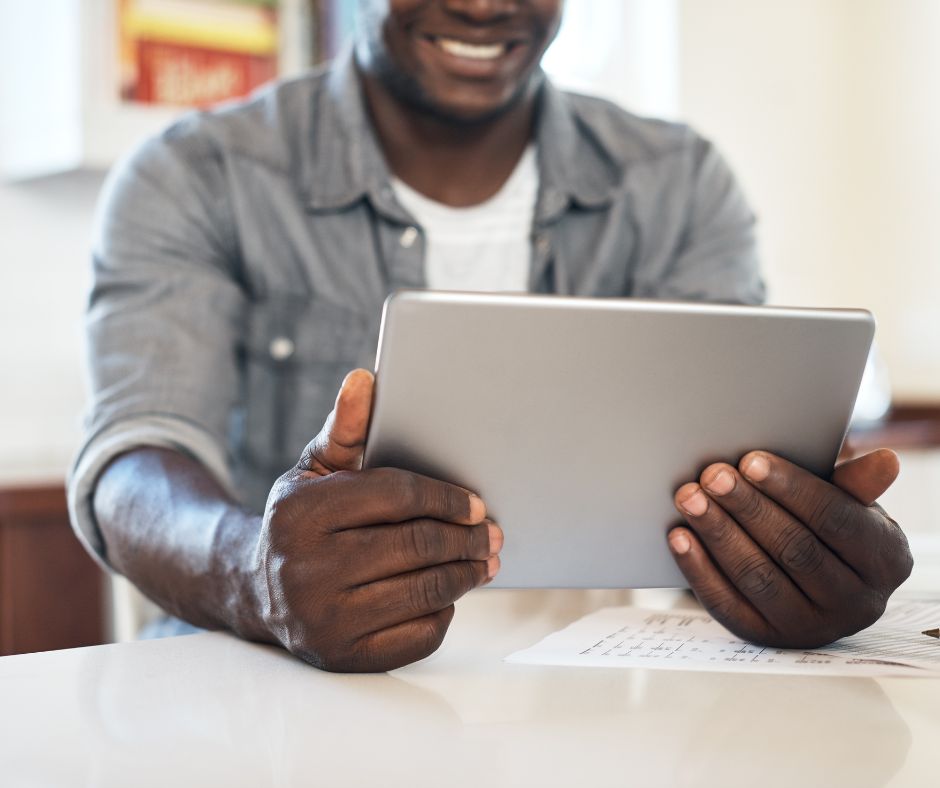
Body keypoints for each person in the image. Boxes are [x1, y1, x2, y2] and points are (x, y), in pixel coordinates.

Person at [69, 0, 912, 672]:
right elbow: (136, 460)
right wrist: (252, 573)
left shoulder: (678, 183)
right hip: (277, 697)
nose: (483, 5)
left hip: (593, 699)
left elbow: (727, 483)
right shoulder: (193, 174)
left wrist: (788, 565)